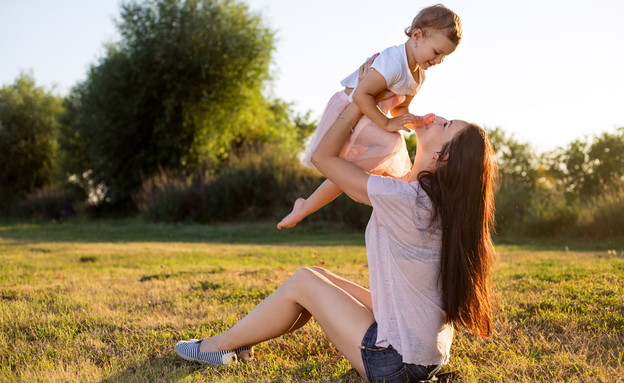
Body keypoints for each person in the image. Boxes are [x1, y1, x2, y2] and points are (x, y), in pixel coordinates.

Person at [175, 100, 498, 381]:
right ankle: (239, 341)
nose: (435, 116)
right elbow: (348, 176)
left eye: (444, 124)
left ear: (442, 155)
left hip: (395, 364)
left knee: (303, 282)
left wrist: (359, 102)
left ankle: (215, 347)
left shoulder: (408, 199)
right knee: (318, 276)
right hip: (426, 356)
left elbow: (324, 158)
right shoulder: (428, 200)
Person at [277, 4, 462, 229]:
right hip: (349, 107)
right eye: (436, 52)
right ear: (417, 35)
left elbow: (398, 109)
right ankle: (315, 204)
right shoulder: (394, 62)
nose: (439, 61)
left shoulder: (419, 76)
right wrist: (386, 123)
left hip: (369, 115)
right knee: (391, 144)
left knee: (359, 167)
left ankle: (312, 205)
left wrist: (415, 121)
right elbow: (362, 95)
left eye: (444, 56)